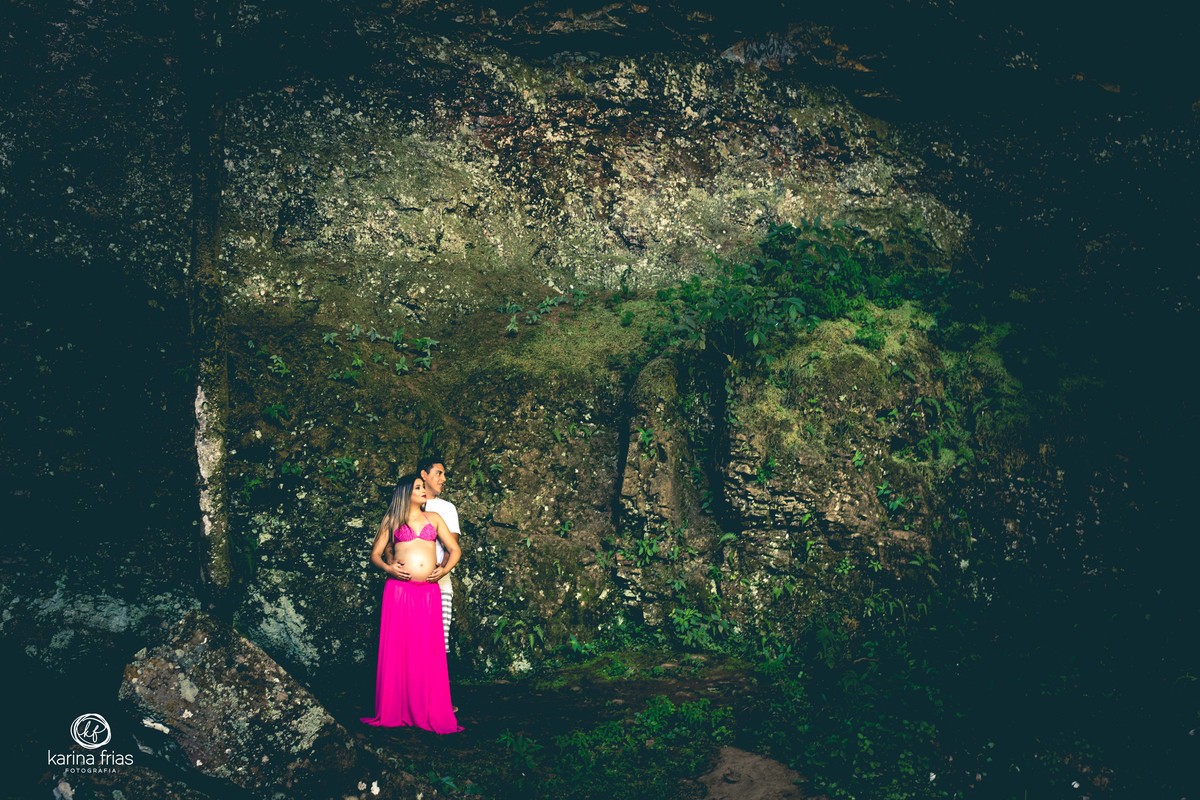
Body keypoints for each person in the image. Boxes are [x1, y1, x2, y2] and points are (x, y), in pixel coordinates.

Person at [360, 473, 462, 733]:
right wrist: (389, 568)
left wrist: (442, 570)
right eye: (417, 487)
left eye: (422, 486)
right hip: (399, 590)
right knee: (399, 647)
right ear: (406, 492)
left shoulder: (435, 519)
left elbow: (455, 550)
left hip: (428, 592)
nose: (423, 490)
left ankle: (425, 707)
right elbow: (374, 554)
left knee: (427, 648)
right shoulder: (392, 520)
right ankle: (397, 708)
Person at [417, 455, 460, 655]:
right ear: (424, 475)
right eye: (438, 473)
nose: (443, 479)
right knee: (413, 641)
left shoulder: (447, 509)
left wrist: (440, 571)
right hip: (411, 584)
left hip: (439, 583)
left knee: (437, 644)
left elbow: (451, 546)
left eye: (444, 474)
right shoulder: (408, 505)